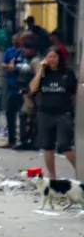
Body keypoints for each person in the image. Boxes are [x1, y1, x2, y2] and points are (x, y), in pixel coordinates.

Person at [29, 46, 78, 179]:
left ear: (59, 58)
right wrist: (40, 69)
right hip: (45, 114)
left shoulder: (67, 73)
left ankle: (80, 172)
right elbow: (33, 88)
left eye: (54, 57)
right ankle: (52, 176)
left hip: (64, 114)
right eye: (49, 57)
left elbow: (75, 94)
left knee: (65, 145)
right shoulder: (44, 74)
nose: (52, 60)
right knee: (47, 146)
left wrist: (76, 114)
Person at [16, 38, 43, 151]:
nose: (24, 51)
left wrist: (33, 90)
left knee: (26, 116)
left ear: (32, 50)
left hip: (33, 94)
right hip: (28, 92)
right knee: (30, 118)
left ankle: (25, 141)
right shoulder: (31, 60)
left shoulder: (36, 61)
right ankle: (29, 141)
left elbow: (39, 76)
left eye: (26, 48)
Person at [0, 34, 24, 148]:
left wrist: (13, 66)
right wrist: (8, 66)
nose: (16, 42)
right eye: (15, 40)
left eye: (18, 40)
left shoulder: (24, 53)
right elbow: (4, 64)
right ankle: (11, 139)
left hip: (22, 87)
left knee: (23, 114)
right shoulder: (9, 51)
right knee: (10, 113)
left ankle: (23, 140)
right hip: (11, 85)